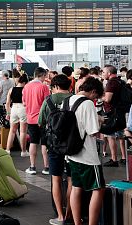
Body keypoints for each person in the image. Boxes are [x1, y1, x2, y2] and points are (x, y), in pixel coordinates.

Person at [67, 77, 105, 225]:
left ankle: (77, 223)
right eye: (96, 96)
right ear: (93, 91)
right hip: (87, 155)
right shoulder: (87, 103)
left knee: (76, 187)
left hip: (71, 153)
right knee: (99, 189)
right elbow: (93, 131)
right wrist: (100, 121)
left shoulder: (69, 100)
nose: (95, 99)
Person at [37, 75, 73, 225]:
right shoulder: (75, 99)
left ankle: (60, 216)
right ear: (69, 86)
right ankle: (70, 213)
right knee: (72, 179)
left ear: (56, 87)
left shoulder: (48, 101)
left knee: (56, 179)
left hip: (54, 145)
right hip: (72, 144)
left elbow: (41, 122)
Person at [22, 67, 50, 175]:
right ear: (42, 75)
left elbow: (24, 103)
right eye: (45, 76)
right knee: (44, 143)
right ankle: (46, 167)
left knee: (33, 142)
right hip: (43, 119)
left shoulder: (26, 87)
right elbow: (48, 103)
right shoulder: (44, 87)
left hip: (31, 118)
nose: (45, 78)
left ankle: (32, 167)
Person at [102, 65, 126, 167]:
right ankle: (124, 157)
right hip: (121, 111)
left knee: (110, 136)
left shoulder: (111, 83)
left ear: (108, 73)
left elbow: (108, 99)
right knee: (121, 136)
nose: (102, 74)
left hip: (112, 113)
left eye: (103, 72)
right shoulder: (121, 81)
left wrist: (99, 96)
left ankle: (114, 159)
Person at [5, 75, 29, 157]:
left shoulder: (11, 89)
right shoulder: (25, 90)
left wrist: (8, 113)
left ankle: (7, 150)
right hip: (23, 108)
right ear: (25, 82)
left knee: (12, 131)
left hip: (14, 108)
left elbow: (7, 103)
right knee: (23, 132)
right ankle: (23, 151)